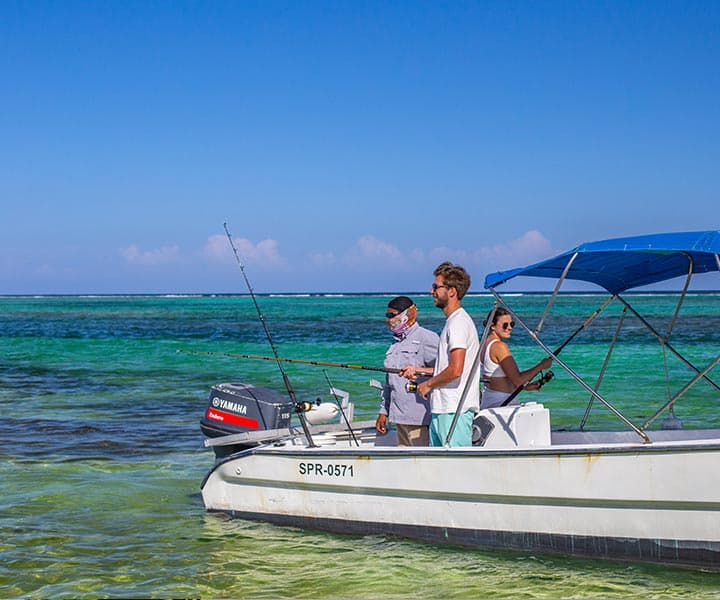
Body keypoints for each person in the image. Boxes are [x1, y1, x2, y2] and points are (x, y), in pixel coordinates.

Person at [399, 262, 480, 447]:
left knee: (454, 470)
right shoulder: (454, 322)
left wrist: (428, 385)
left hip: (453, 410)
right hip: (444, 410)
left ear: (451, 291)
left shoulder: (458, 323)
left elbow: (456, 370)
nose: (431, 291)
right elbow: (449, 367)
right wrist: (419, 370)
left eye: (436, 287)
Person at [376, 296, 439, 446]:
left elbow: (444, 371)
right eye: (387, 315)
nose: (388, 319)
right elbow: (389, 382)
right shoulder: (395, 343)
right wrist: (383, 411)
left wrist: (418, 370)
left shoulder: (427, 338)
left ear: (406, 315)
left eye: (392, 315)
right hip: (398, 417)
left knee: (420, 464)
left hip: (420, 418)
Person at [480, 306, 553, 409]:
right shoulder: (499, 346)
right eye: (505, 325)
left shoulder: (484, 344)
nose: (510, 328)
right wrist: (542, 365)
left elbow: (496, 379)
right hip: (501, 404)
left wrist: (526, 387)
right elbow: (518, 380)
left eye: (512, 324)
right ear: (492, 326)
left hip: (490, 400)